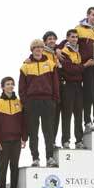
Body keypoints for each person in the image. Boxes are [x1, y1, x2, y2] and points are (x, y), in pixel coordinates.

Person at [19, 39, 60, 167]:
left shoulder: (50, 63)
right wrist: (25, 103)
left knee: (48, 131)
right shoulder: (25, 66)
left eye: (40, 47)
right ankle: (35, 158)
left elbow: (55, 84)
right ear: (32, 49)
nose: (38, 49)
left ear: (43, 49)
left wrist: (55, 100)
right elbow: (22, 87)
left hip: (47, 101)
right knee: (33, 132)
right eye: (36, 47)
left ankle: (49, 157)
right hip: (32, 102)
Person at [59, 29, 94, 149]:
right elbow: (70, 69)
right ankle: (65, 141)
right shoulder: (64, 52)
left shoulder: (78, 50)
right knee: (67, 114)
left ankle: (79, 140)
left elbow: (77, 68)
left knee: (78, 114)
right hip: (68, 86)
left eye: (76, 37)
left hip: (78, 86)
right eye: (72, 37)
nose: (75, 39)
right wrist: (85, 65)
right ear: (67, 38)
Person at [0, 77, 27, 188]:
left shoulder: (20, 103)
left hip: (17, 140)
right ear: (2, 87)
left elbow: (24, 122)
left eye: (12, 84)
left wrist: (24, 138)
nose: (10, 86)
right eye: (7, 84)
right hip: (3, 141)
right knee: (3, 167)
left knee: (14, 166)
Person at [74, 7, 94, 132]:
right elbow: (68, 41)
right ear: (87, 15)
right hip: (87, 66)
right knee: (89, 94)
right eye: (93, 15)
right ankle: (87, 122)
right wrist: (59, 49)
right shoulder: (79, 29)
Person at [42, 31, 62, 148]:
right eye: (49, 39)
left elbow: (67, 42)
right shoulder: (42, 53)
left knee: (56, 118)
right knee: (48, 121)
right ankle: (49, 145)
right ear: (45, 41)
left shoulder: (56, 52)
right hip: (47, 92)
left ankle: (53, 142)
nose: (52, 41)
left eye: (54, 39)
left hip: (58, 90)